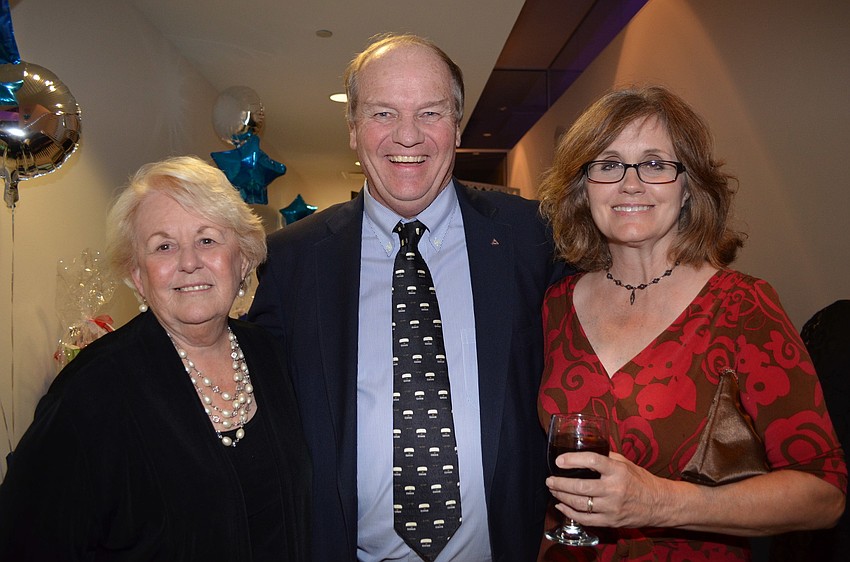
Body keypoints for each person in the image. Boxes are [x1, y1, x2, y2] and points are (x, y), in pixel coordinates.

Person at [248, 33, 569, 561]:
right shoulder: (293, 259)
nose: (407, 136)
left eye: (430, 112)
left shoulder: (532, 239)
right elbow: (261, 402)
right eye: (382, 114)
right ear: (352, 129)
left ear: (458, 126)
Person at [535, 85, 846, 561]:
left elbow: (823, 495)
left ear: (688, 187)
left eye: (656, 164)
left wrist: (659, 502)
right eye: (608, 164)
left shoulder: (742, 306)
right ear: (584, 187)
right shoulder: (554, 305)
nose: (630, 184)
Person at [0, 156, 311, 560]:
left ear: (244, 258)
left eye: (207, 240)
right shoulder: (91, 393)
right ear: (137, 276)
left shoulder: (274, 357)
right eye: (163, 246)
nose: (188, 262)